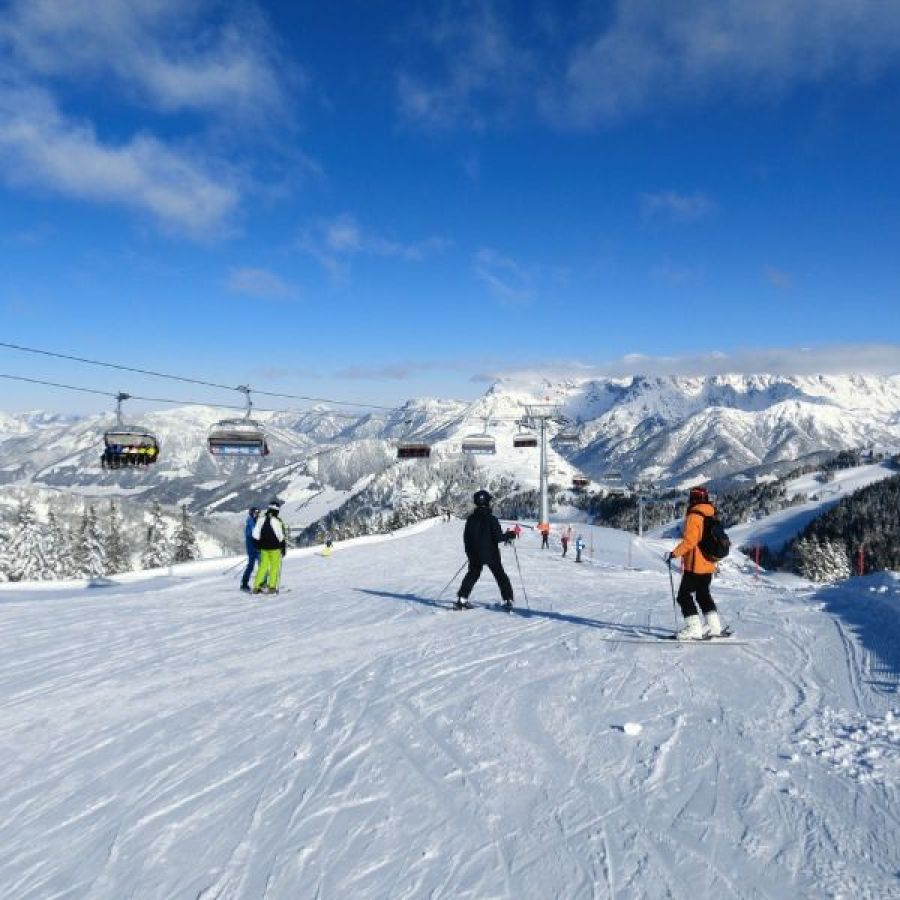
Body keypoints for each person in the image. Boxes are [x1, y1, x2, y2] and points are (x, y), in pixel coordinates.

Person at [667, 485, 722, 640]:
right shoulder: (711, 513)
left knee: (683, 596)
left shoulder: (694, 516)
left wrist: (674, 553)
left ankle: (694, 629)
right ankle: (714, 627)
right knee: (703, 595)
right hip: (709, 563)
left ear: (694, 499)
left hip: (695, 565)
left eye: (691, 497)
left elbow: (690, 541)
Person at [456, 490, 515, 610]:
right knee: (500, 576)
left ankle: (462, 599)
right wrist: (509, 535)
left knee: (472, 575)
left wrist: (470, 553)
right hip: (491, 554)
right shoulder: (491, 519)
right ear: (488, 502)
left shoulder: (471, 519)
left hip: (474, 554)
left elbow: (466, 538)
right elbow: (498, 537)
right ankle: (508, 600)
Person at [252, 502, 287, 594]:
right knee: (274, 567)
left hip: (263, 548)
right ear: (276, 510)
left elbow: (255, 534)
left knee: (263, 566)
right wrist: (283, 548)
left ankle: (256, 587)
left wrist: (257, 544)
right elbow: (280, 536)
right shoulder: (276, 521)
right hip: (275, 548)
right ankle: (272, 587)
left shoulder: (261, 519)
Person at [240, 506, 260, 591]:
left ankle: (262, 583)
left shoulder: (255, 522)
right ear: (252, 513)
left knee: (262, 565)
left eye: (258, 513)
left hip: (257, 548)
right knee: (251, 566)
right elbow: (251, 535)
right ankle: (244, 583)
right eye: (256, 513)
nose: (257, 514)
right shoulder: (250, 523)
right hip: (252, 548)